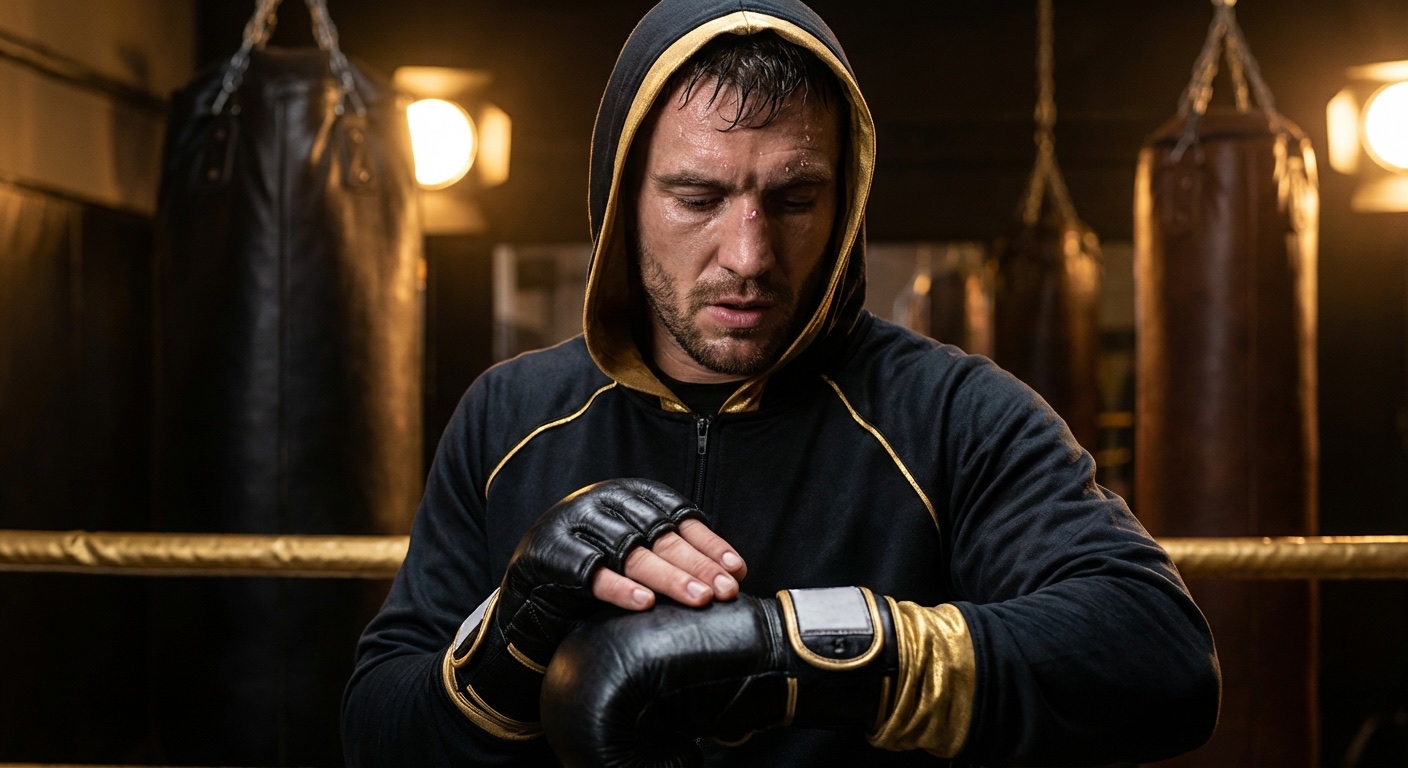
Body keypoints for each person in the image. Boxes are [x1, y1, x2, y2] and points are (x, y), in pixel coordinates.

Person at [341, 0, 1221, 765]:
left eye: (795, 200)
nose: (749, 256)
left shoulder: (951, 414)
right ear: (622, 198)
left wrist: (801, 653)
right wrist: (510, 637)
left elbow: (1161, 654)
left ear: (845, 201)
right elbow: (375, 726)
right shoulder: (510, 415)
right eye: (697, 198)